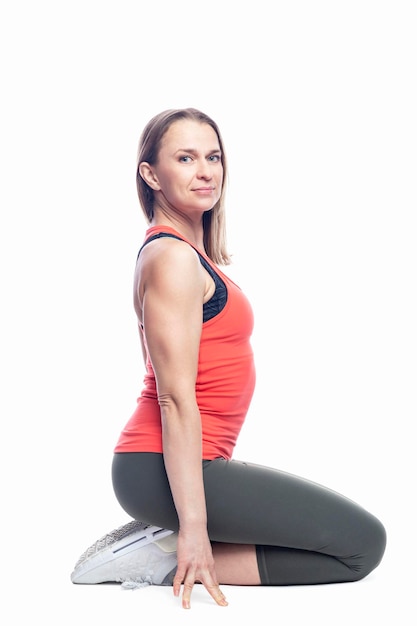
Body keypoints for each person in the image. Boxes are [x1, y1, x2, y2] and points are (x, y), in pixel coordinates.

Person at [71, 107, 386, 609]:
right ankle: (165, 557)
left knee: (355, 542)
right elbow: (173, 398)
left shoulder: (185, 256)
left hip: (186, 461)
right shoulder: (172, 258)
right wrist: (195, 526)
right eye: (185, 157)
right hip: (156, 464)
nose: (206, 170)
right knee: (360, 546)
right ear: (151, 175)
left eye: (213, 156)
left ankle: (167, 543)